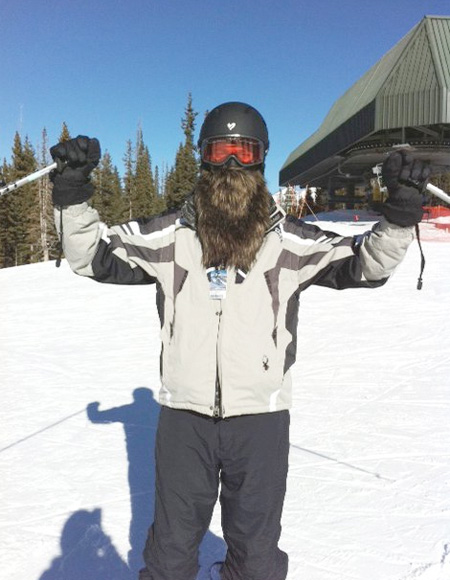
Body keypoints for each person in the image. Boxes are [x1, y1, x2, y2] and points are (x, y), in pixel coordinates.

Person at [50, 102, 430, 580]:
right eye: (220, 151)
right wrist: (71, 193)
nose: (232, 164)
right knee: (168, 555)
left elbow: (366, 265)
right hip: (183, 421)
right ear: (203, 158)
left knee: (255, 559)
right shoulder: (169, 235)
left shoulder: (291, 242)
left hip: (261, 422)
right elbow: (92, 256)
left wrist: (398, 216)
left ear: (261, 159)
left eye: (243, 152)